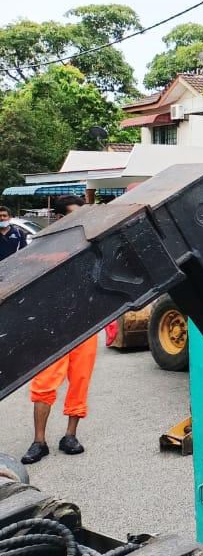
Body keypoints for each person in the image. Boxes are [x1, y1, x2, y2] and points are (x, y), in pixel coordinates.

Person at [21, 195, 99, 464]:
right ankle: (38, 441)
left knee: (80, 380)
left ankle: (70, 436)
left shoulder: (92, 244)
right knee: (43, 382)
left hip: (85, 323)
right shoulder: (43, 245)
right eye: (71, 214)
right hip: (52, 324)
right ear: (59, 217)